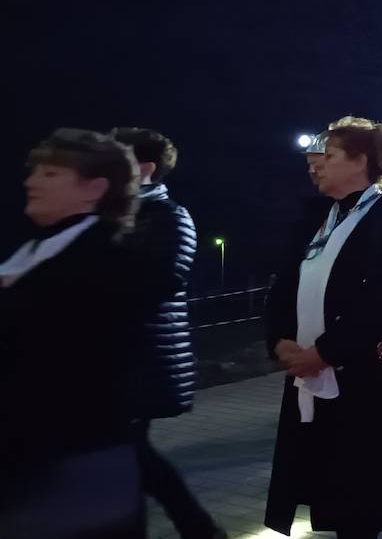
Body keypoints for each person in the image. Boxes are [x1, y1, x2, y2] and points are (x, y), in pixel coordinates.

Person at [264, 116, 382, 539]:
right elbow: (285, 284)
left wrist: (326, 351)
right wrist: (280, 340)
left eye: (330, 155)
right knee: (331, 486)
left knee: (362, 495)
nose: (315, 164)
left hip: (366, 379)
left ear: (361, 161)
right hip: (311, 369)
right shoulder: (319, 217)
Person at [0, 129, 161, 539]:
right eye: (35, 171)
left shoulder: (105, 263)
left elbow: (63, 370)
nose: (31, 182)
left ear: (94, 189)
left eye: (51, 174)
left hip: (73, 472)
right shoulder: (35, 252)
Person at [111, 127, 225, 539]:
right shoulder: (118, 214)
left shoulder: (168, 216)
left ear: (144, 168)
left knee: (129, 454)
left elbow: (156, 282)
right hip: (122, 358)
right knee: (128, 456)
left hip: (141, 359)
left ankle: (199, 528)